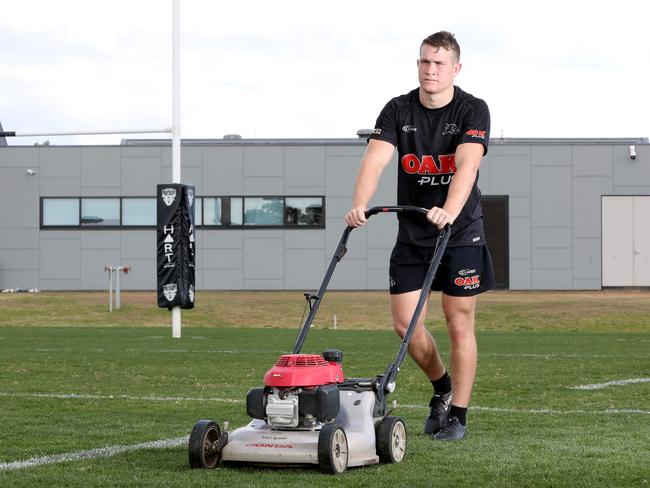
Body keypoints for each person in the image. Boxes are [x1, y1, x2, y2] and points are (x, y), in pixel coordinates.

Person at [345, 31, 494, 441]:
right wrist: (360, 204)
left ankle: (458, 415)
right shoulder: (398, 109)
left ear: (455, 69)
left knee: (458, 322)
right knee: (405, 327)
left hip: (460, 233)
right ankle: (441, 387)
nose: (431, 70)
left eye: (440, 63)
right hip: (413, 234)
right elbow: (375, 159)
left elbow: (467, 165)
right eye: (425, 62)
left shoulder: (472, 110)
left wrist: (449, 209)